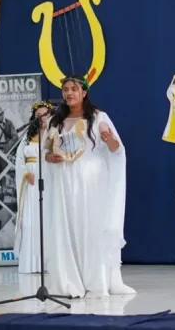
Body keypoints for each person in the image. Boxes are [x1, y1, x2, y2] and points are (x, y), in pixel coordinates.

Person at [43, 75, 135, 298]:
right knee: (70, 228)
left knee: (92, 228)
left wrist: (108, 138)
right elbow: (46, 151)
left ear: (84, 93)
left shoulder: (98, 117)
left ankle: (100, 280)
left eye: (74, 89)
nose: (69, 93)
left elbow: (116, 150)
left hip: (92, 181)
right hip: (66, 180)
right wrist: (50, 157)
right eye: (65, 89)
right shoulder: (56, 120)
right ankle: (70, 279)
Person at [13, 100, 53, 274]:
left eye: (46, 115)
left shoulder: (55, 134)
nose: (43, 119)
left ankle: (49, 264)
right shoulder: (27, 138)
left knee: (48, 220)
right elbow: (18, 160)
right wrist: (25, 174)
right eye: (39, 116)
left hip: (49, 180)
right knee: (31, 222)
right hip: (31, 183)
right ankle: (31, 263)